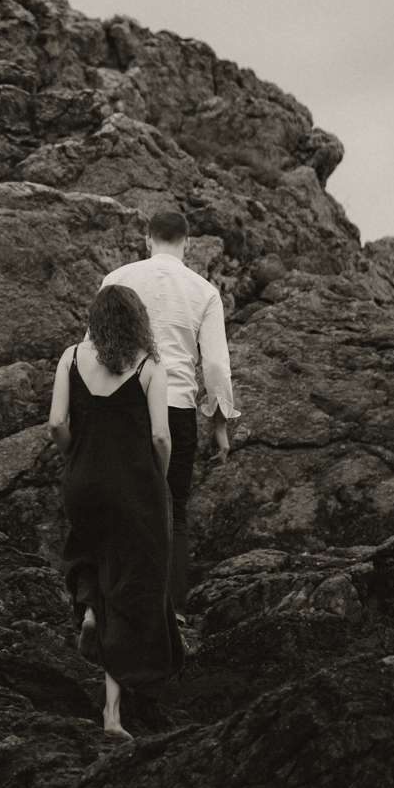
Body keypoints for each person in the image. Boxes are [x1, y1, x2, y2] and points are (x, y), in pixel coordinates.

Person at [49, 284, 184, 738]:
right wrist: (156, 482)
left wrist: (77, 456)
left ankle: (88, 609)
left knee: (93, 553)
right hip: (134, 488)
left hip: (83, 484)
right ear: (137, 321)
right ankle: (112, 714)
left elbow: (56, 424)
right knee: (133, 587)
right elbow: (162, 438)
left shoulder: (69, 358)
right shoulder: (149, 367)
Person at [100, 208, 240, 621]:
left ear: (147, 239)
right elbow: (215, 365)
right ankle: (173, 609)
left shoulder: (116, 279)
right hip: (176, 407)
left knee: (122, 504)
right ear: (188, 243)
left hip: (121, 406)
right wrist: (219, 423)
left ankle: (122, 607)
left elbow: (92, 350)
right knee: (173, 510)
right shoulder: (204, 290)